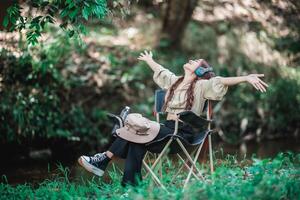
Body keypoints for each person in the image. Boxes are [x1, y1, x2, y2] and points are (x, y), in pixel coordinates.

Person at [78, 50, 269, 186]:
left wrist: (245, 78)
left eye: (196, 62)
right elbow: (162, 72)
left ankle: (103, 159)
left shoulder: (202, 86)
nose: (191, 60)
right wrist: (149, 60)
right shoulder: (174, 81)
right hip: (165, 131)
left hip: (180, 135)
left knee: (134, 128)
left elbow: (220, 81)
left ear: (200, 71)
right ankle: (131, 187)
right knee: (136, 139)